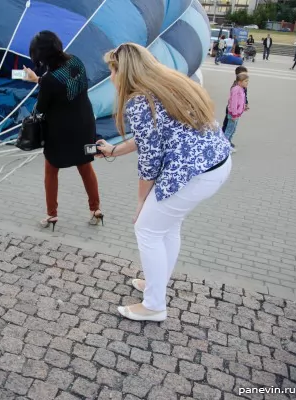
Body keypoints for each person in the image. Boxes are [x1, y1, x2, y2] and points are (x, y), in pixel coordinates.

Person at [97, 43, 232, 322]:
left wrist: (141, 202)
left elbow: (149, 160)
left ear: (123, 73)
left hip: (194, 172)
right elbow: (152, 138)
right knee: (167, 227)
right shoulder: (169, 84)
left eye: (112, 70)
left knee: (146, 228)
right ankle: (156, 284)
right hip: (215, 163)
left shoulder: (139, 102)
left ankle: (154, 305)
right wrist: (113, 150)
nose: (110, 77)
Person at [22, 30, 103, 230]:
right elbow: (64, 86)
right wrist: (38, 80)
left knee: (51, 171)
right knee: (85, 167)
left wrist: (37, 82)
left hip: (60, 133)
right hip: (85, 126)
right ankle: (96, 209)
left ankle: (52, 215)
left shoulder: (50, 80)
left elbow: (40, 109)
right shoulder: (76, 61)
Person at [221, 66, 249, 149]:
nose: (247, 83)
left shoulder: (242, 88)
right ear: (240, 81)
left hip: (236, 113)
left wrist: (244, 105)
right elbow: (233, 103)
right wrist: (234, 114)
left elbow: (242, 99)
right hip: (233, 113)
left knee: (232, 129)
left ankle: (227, 142)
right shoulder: (236, 89)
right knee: (228, 129)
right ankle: (224, 146)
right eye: (246, 81)